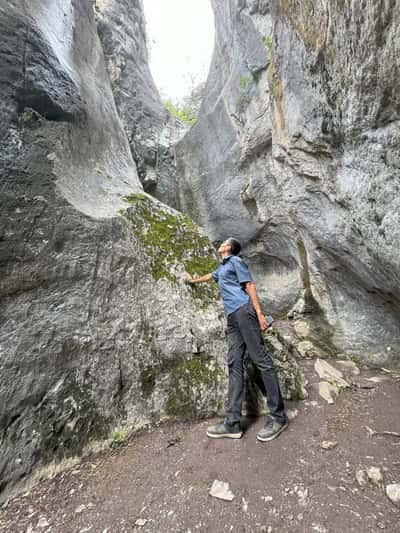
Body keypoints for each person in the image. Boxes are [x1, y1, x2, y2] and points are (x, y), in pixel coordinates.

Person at [186, 238, 287, 442]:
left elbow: (249, 285)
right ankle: (232, 423)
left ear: (229, 248)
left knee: (261, 361)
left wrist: (259, 314)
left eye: (224, 243)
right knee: (234, 364)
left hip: (244, 311)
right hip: (232, 317)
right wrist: (192, 281)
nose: (220, 244)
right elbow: (210, 276)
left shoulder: (235, 262)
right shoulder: (223, 268)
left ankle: (278, 417)